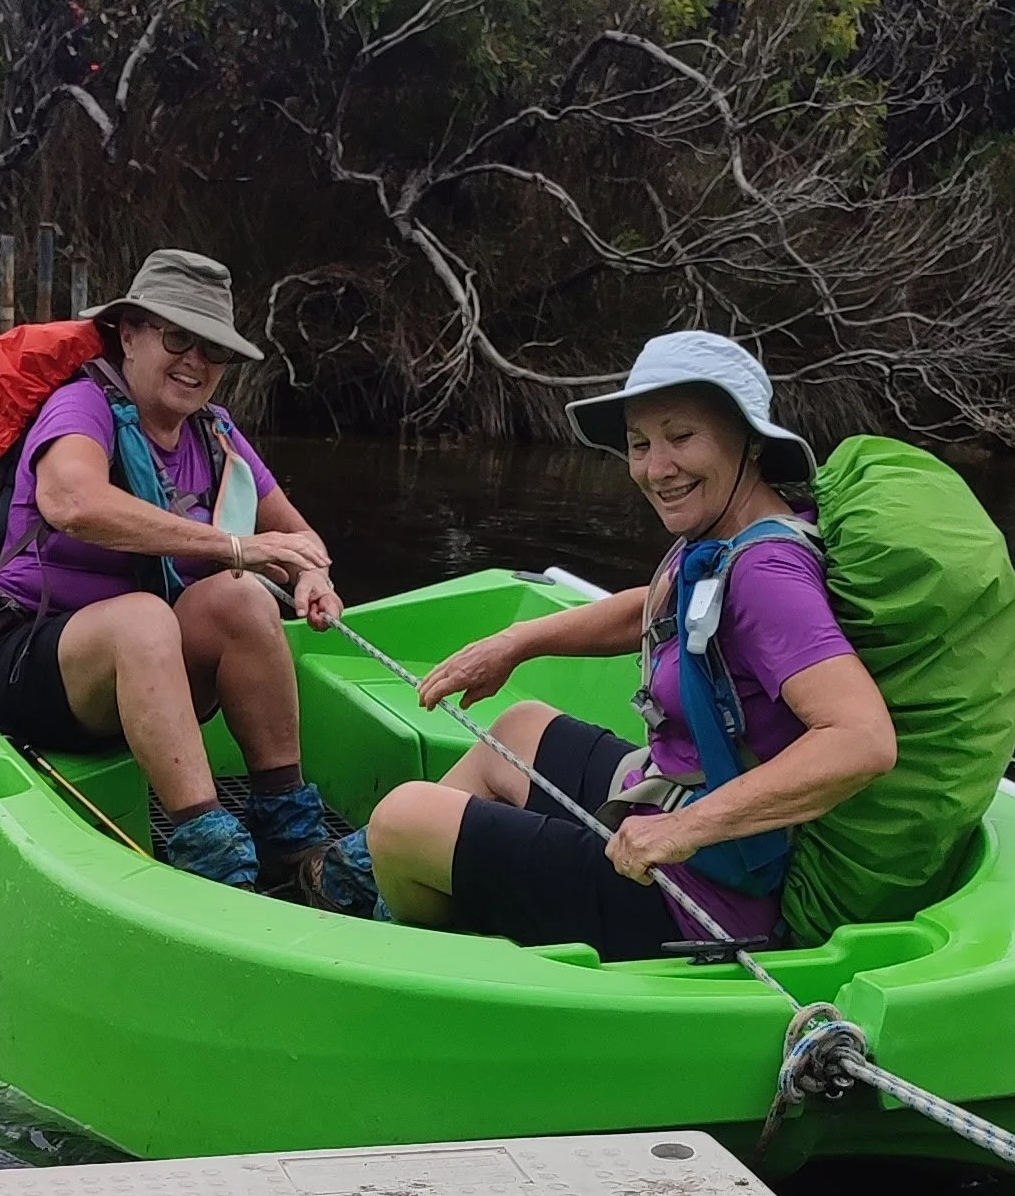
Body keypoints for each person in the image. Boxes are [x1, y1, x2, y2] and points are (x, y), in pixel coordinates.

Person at [362, 329, 897, 953]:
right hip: (666, 796)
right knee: (517, 729)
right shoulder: (730, 533)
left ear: (748, 440)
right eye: (640, 444)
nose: (655, 468)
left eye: (681, 436)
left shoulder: (766, 574)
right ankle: (393, 881)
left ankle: (422, 944)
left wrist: (683, 828)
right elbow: (658, 605)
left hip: (697, 895)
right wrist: (518, 642)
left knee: (399, 820)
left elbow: (862, 740)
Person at [0, 247, 358, 892]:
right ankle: (207, 850)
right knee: (149, 616)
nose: (195, 361)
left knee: (243, 602)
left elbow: (299, 535)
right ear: (128, 332)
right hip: (30, 661)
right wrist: (232, 547)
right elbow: (71, 500)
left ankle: (291, 836)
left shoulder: (216, 434)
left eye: (213, 349)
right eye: (178, 337)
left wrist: (311, 574)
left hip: (148, 666)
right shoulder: (80, 409)